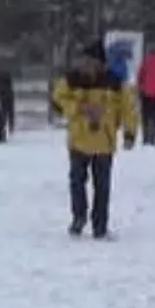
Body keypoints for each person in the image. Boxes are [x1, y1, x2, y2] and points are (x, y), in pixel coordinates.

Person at [51, 40, 138, 238]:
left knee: (102, 186)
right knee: (76, 182)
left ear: (100, 62)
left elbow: (128, 108)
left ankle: (100, 225)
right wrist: (79, 108)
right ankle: (79, 216)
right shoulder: (71, 80)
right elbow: (58, 99)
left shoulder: (115, 82)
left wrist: (130, 133)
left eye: (89, 60)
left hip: (104, 142)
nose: (85, 65)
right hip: (78, 140)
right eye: (83, 60)